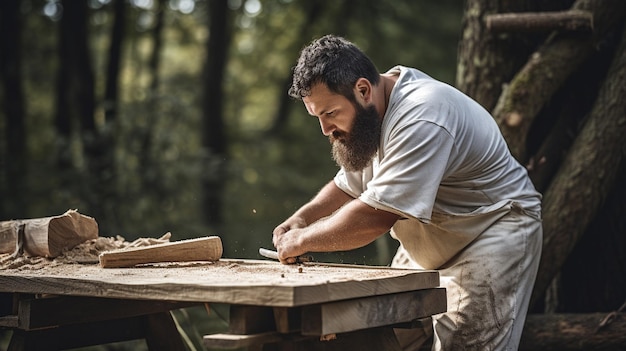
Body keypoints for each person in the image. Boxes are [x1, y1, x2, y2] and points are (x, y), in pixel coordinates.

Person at [272, 34, 542, 351]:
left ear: (362, 90)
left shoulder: (423, 113)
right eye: (317, 116)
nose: (325, 129)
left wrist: (301, 240)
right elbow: (348, 185)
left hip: (492, 231)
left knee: (463, 343)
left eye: (329, 113)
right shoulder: (370, 117)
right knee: (380, 335)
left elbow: (375, 217)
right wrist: (301, 218)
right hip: (432, 241)